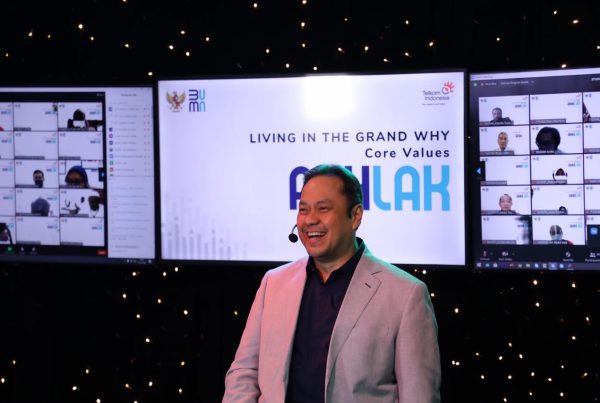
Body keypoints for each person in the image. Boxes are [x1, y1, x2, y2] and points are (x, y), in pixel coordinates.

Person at [223, 164, 441, 403]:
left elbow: (419, 396)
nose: (310, 220)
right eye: (303, 210)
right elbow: (245, 371)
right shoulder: (273, 283)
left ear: (355, 216)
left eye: (323, 209)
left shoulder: (405, 294)